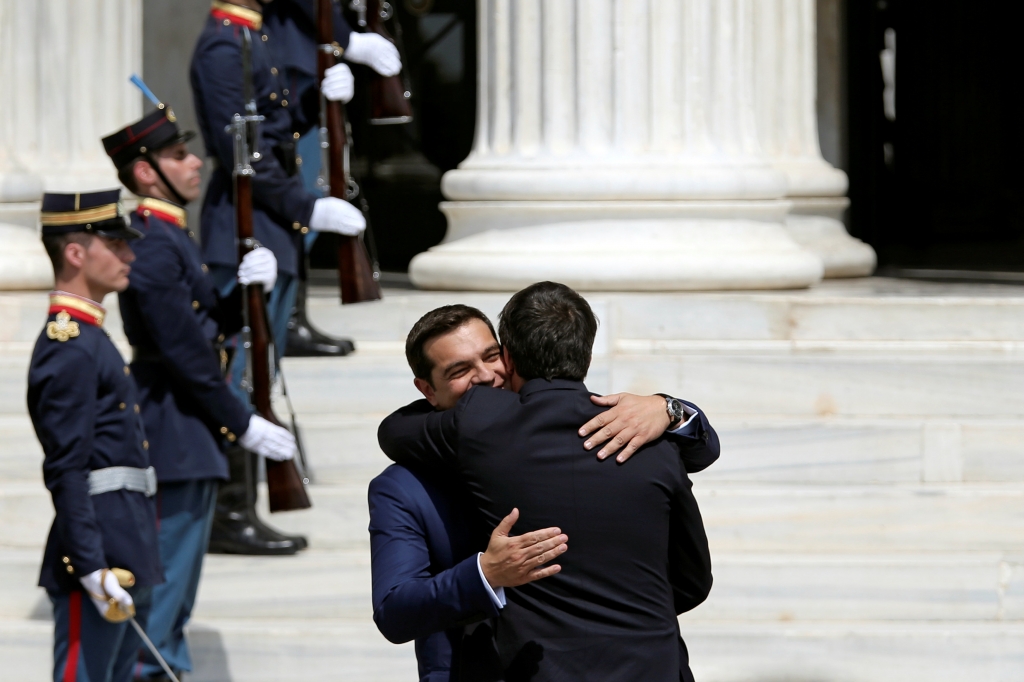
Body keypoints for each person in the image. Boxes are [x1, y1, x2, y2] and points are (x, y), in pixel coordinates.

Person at [371, 303, 719, 681]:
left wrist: (668, 408)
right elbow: (395, 611)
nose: (486, 376)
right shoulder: (403, 488)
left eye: (491, 356)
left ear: (510, 354)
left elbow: (689, 577)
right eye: (460, 370)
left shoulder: (614, 430)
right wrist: (484, 575)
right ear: (427, 390)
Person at [101, 102, 301, 680]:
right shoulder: (153, 243)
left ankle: (167, 669)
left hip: (189, 426)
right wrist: (240, 421)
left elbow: (206, 324)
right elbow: (184, 352)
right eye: (178, 155)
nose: (194, 164)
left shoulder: (169, 236)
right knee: (162, 586)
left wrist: (246, 292)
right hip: (172, 425)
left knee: (178, 587)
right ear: (145, 171)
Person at [190, 0, 361, 554]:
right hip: (247, 226)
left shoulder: (251, 36)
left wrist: (320, 97)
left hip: (273, 226)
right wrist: (306, 206)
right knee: (240, 373)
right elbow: (240, 153)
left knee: (260, 365)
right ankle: (227, 511)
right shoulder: (222, 43)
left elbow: (277, 126)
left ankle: (239, 506)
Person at [27, 191, 162, 682]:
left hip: (126, 543)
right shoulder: (70, 348)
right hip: (101, 554)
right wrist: (89, 565)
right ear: (76, 253)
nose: (129, 255)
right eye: (115, 244)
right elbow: (66, 468)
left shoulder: (93, 339)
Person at [262, 0, 403, 356]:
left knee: (314, 188)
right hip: (297, 62)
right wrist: (348, 39)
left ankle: (291, 317)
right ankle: (285, 320)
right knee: (300, 198)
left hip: (312, 60)